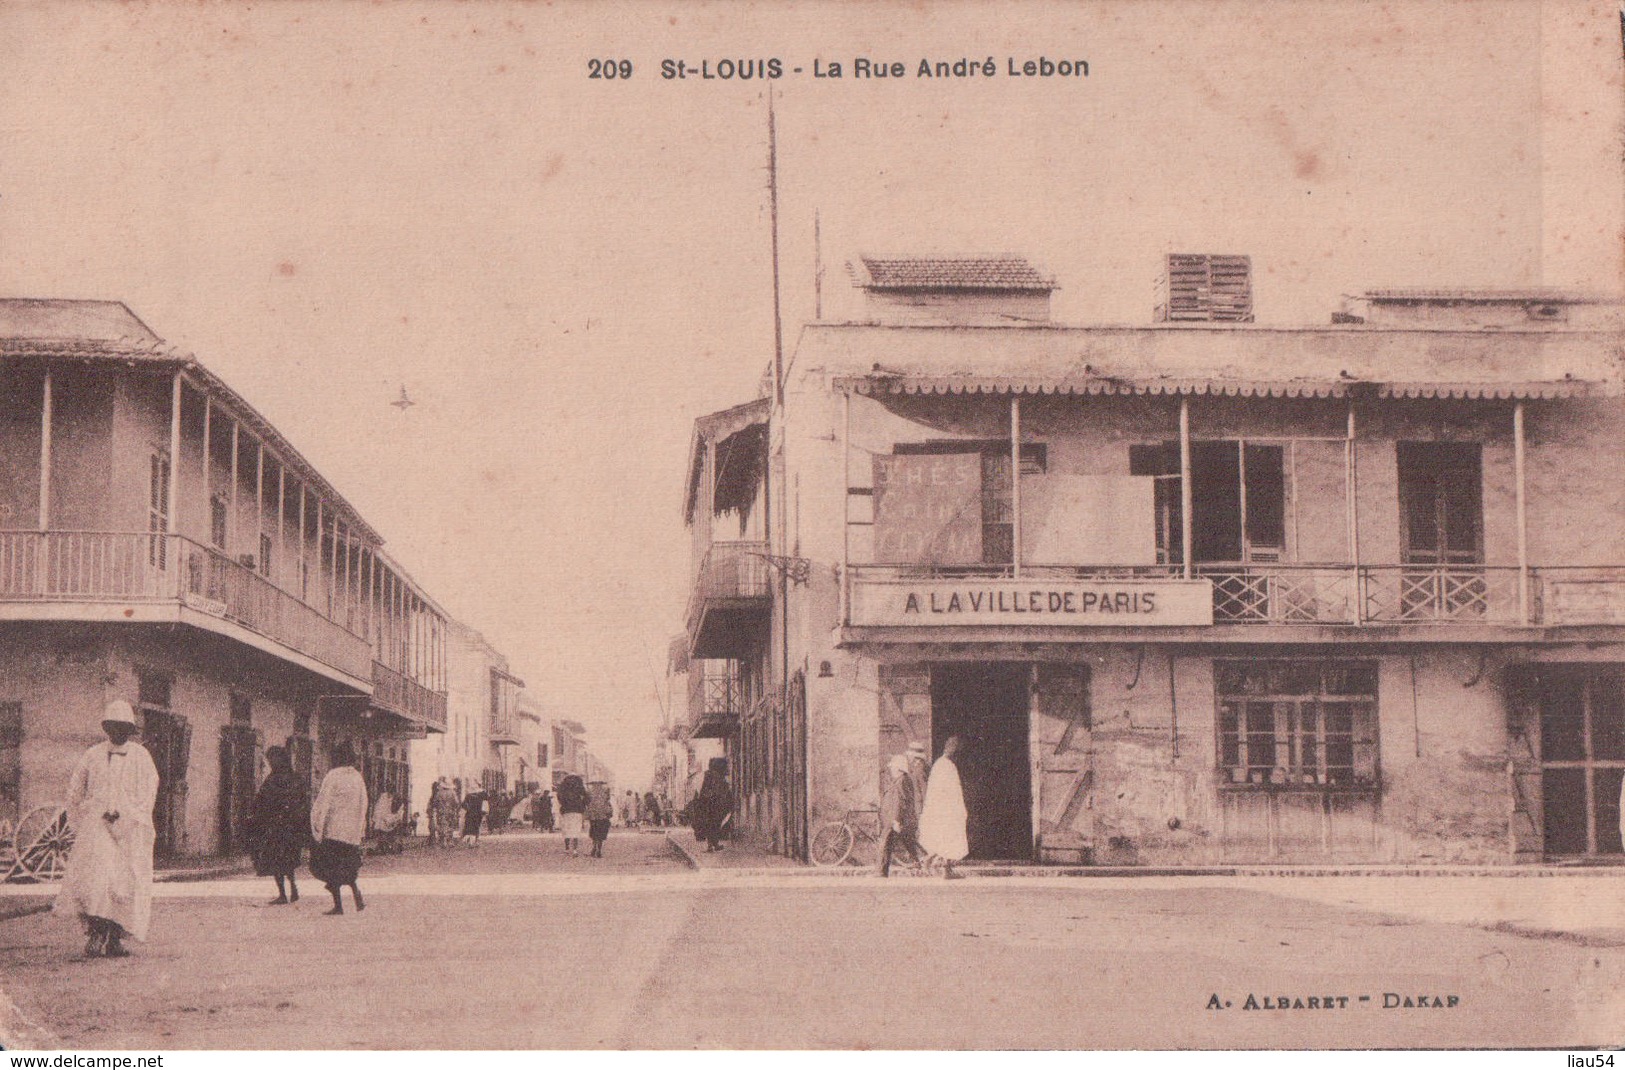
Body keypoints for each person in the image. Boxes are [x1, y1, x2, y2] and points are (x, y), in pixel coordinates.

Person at [54, 700, 159, 958]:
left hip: (130, 830)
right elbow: (75, 791)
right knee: (96, 882)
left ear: (130, 729)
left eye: (123, 727)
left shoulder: (141, 756)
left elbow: (149, 791)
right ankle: (95, 934)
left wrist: (129, 815)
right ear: (106, 727)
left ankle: (115, 939)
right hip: (97, 829)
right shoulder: (92, 755)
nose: (118, 732)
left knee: (124, 884)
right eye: (113, 726)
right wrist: (85, 817)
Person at [309, 740, 369, 915]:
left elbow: (323, 802)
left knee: (329, 868)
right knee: (348, 867)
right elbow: (364, 802)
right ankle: (356, 893)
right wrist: (360, 828)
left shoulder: (333, 775)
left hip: (333, 831)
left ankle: (338, 906)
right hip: (350, 833)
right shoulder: (357, 777)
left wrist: (318, 826)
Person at [246, 745, 309, 905]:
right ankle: (293, 889)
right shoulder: (296, 778)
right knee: (287, 859)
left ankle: (283, 894)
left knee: (276, 859)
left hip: (276, 826)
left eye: (272, 759)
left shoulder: (273, 779)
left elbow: (261, 800)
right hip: (291, 826)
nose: (271, 763)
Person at [918, 736, 969, 880]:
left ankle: (939, 865)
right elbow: (948, 791)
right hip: (947, 810)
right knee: (948, 838)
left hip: (945, 809)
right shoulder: (945, 766)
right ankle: (934, 863)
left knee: (947, 839)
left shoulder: (941, 764)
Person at [876, 753, 923, 878]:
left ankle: (881, 872)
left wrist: (896, 820)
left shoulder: (902, 781)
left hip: (895, 819)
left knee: (886, 843)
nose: (891, 769)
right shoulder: (899, 780)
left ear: (898, 768)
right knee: (906, 842)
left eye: (893, 767)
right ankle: (918, 864)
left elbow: (900, 801)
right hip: (893, 818)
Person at [691, 758, 731, 853]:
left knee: (711, 824)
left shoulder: (707, 774)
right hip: (713, 804)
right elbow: (721, 790)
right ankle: (713, 845)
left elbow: (700, 790)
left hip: (707, 804)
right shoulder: (717, 776)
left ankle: (712, 845)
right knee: (715, 824)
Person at [556, 774, 587, 856]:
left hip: (566, 811)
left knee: (566, 830)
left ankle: (567, 848)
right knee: (575, 830)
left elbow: (559, 797)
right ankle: (575, 850)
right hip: (577, 811)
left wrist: (563, 804)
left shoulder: (563, 788)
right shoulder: (579, 787)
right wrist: (582, 805)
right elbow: (586, 798)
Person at [585, 779, 614, 857]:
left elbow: (587, 803)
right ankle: (599, 849)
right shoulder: (605, 792)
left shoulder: (589, 792)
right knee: (601, 833)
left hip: (593, 816)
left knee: (594, 832)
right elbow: (608, 801)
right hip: (603, 816)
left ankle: (594, 847)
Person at [370, 788, 403, 854]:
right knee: (381, 833)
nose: (389, 795)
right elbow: (378, 808)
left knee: (389, 834)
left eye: (391, 794)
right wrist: (375, 818)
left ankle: (389, 847)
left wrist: (394, 819)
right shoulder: (383, 797)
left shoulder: (396, 799)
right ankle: (382, 846)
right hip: (383, 819)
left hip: (391, 819)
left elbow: (397, 811)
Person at [906, 740, 931, 816]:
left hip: (919, 809)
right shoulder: (915, 767)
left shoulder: (920, 769)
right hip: (917, 807)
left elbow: (924, 791)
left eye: (909, 755)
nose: (908, 757)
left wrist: (924, 812)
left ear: (915, 756)